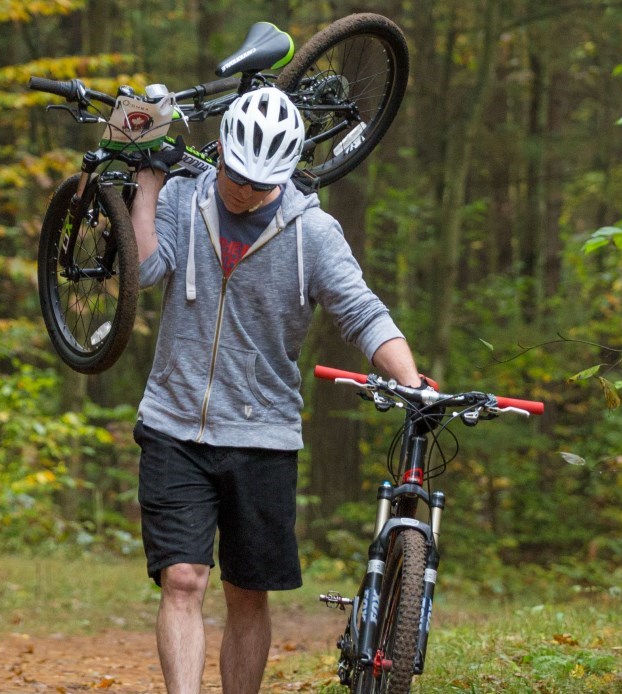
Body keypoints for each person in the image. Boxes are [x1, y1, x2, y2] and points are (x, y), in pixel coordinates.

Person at [128, 87, 423, 694]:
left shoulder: (313, 232)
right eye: (237, 176)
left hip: (263, 435)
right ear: (222, 153)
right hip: (173, 422)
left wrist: (411, 381)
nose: (245, 191)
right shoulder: (186, 197)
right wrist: (150, 183)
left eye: (262, 184)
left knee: (246, 594)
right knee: (183, 579)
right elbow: (147, 270)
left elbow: (363, 313)